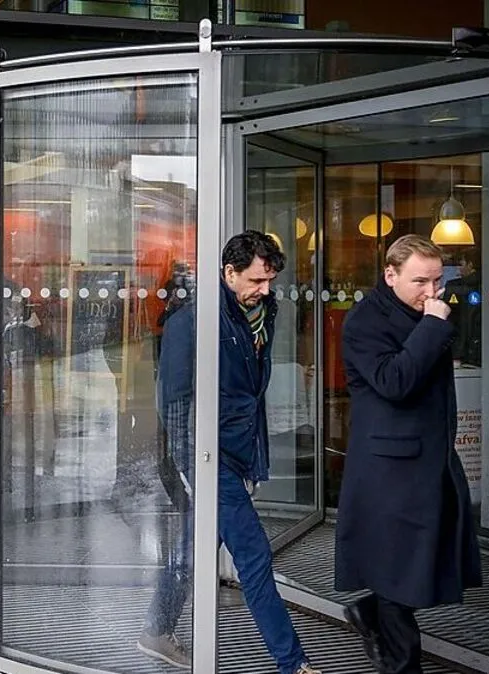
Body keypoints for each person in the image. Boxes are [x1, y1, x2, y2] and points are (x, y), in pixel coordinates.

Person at [146, 230, 320, 674]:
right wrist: (192, 464)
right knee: (254, 555)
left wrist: (253, 458)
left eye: (270, 281)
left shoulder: (262, 314)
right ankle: (292, 663)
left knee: (192, 547)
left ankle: (156, 629)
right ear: (229, 272)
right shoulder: (192, 322)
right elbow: (173, 402)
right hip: (209, 457)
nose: (265, 289)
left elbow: (250, 394)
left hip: (239, 451)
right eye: (257, 280)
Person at [337, 234, 482, 674]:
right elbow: (394, 381)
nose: (432, 292)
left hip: (430, 459)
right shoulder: (365, 321)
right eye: (421, 281)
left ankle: (370, 611)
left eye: (437, 281)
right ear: (390, 274)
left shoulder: (421, 312)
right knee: (398, 569)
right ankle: (402, 664)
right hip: (389, 468)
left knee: (421, 562)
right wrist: (433, 326)